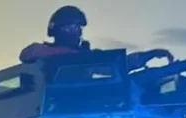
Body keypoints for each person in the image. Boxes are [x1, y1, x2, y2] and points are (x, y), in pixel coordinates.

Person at [20, 6, 173, 70]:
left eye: (78, 28)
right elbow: (27, 54)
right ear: (56, 30)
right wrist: (78, 56)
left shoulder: (90, 57)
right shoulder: (39, 50)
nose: (75, 32)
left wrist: (149, 55)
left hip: (86, 105)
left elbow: (119, 64)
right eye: (70, 28)